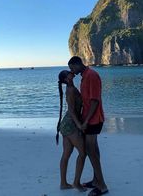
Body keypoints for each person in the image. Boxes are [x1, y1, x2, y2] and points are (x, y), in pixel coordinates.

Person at [68, 56, 108, 196]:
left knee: (91, 152)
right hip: (89, 119)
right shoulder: (85, 76)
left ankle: (102, 186)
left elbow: (95, 101)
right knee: (94, 151)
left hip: (94, 120)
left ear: (77, 64)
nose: (71, 71)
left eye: (72, 68)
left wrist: (85, 122)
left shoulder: (91, 75)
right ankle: (96, 180)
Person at [56, 70, 86, 192]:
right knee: (83, 153)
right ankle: (76, 183)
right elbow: (72, 110)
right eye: (68, 73)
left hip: (66, 124)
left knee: (66, 154)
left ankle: (63, 183)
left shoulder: (71, 88)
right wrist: (79, 125)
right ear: (67, 79)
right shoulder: (71, 90)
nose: (71, 72)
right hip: (70, 124)